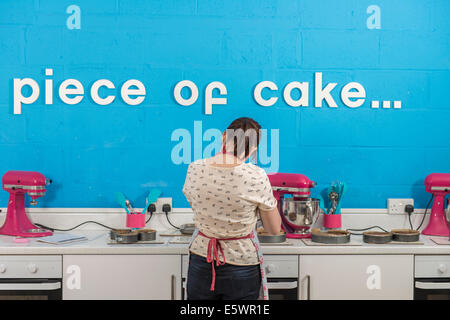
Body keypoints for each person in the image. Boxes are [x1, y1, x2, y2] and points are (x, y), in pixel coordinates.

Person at [182, 117, 282, 300]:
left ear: (223, 137)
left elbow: (198, 205)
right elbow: (274, 229)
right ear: (254, 148)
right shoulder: (256, 176)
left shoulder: (194, 168)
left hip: (201, 260)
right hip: (242, 264)